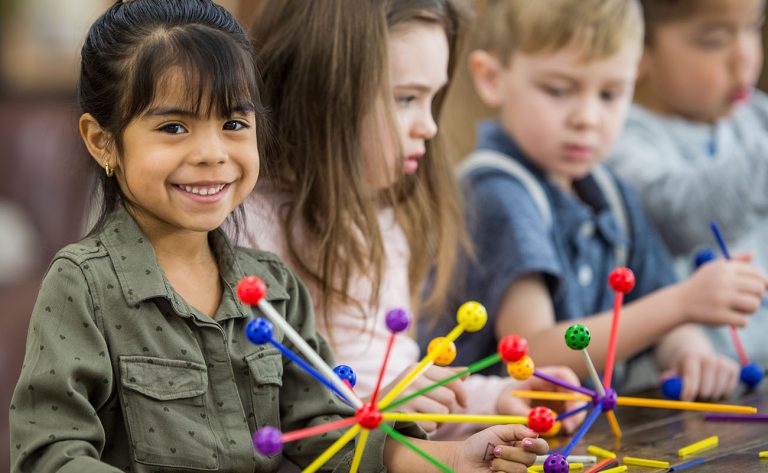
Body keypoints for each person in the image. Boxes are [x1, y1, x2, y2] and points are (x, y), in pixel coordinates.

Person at [8, 1, 549, 472]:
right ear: (102, 142)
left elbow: (329, 427)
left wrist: (454, 458)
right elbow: (52, 454)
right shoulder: (81, 284)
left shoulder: (272, 288)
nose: (212, 153)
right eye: (174, 127)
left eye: (235, 124)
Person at [246, 0, 585, 439]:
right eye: (406, 98)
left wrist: (500, 399)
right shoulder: (248, 228)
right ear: (322, 91)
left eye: (432, 99)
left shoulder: (380, 218)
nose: (429, 126)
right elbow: (269, 424)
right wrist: (383, 411)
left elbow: (399, 385)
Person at [420, 0, 767, 402]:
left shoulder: (610, 191)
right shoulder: (497, 193)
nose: (587, 117)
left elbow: (657, 305)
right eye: (559, 90)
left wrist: (689, 351)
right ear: (493, 78)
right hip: (483, 439)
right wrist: (682, 304)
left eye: (610, 93)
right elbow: (532, 353)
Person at [606, 0, 768, 369]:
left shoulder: (757, 119)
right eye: (713, 41)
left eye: (753, 28)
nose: (744, 58)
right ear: (638, 50)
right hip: (687, 381)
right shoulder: (613, 132)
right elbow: (676, 213)